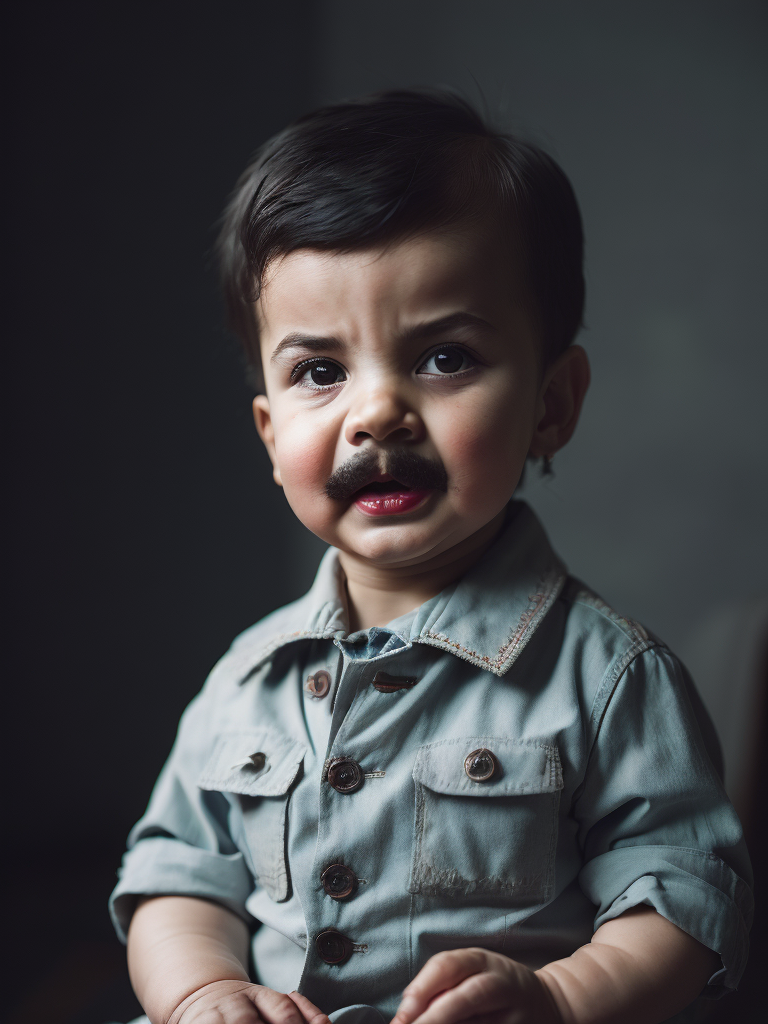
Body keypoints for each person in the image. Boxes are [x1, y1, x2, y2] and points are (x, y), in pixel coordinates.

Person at [109, 90, 752, 1024]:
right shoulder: (246, 681)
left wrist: (560, 998)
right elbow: (175, 878)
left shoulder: (611, 680)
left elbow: (684, 901)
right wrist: (204, 991)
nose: (375, 413)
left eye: (445, 357)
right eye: (320, 372)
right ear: (267, 432)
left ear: (551, 403)